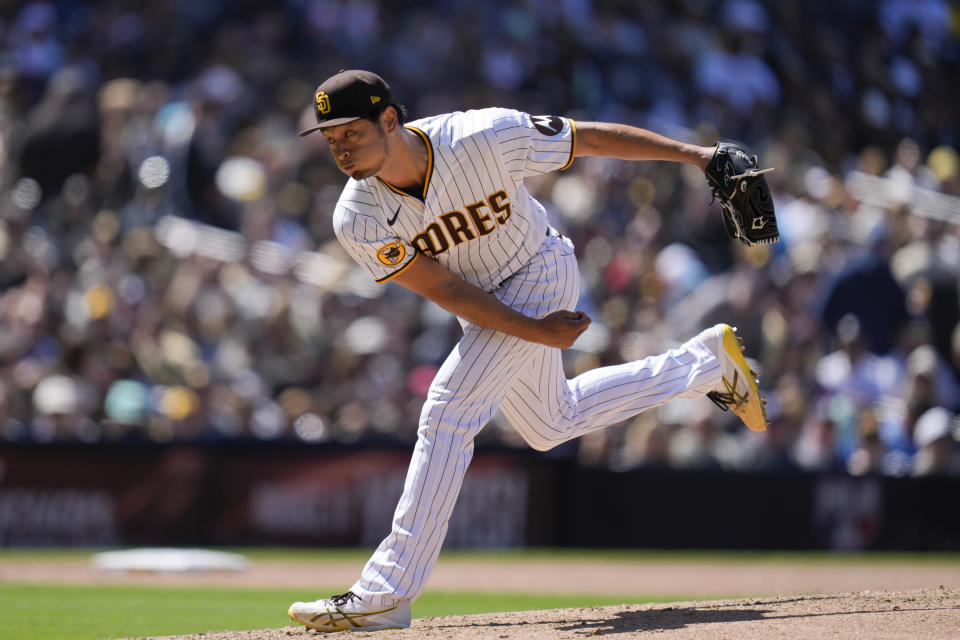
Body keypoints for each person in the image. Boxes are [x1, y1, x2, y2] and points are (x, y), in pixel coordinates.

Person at [287, 69, 768, 633]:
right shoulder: (357, 216)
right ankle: (706, 363)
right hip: (491, 306)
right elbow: (443, 288)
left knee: (447, 410)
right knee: (550, 423)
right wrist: (530, 330)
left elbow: (586, 138)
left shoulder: (479, 137)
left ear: (389, 120)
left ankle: (386, 593)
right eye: (331, 138)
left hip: (539, 268)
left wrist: (698, 156)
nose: (340, 148)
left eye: (351, 132)